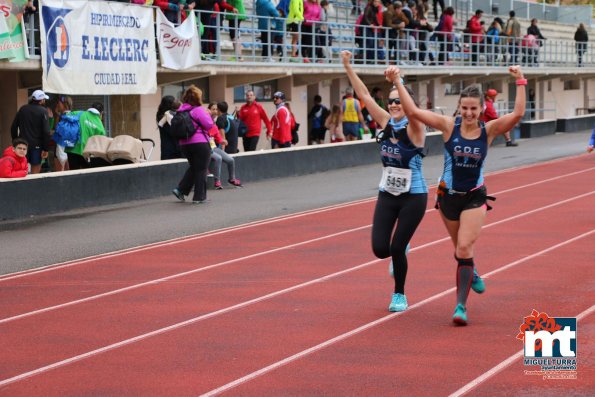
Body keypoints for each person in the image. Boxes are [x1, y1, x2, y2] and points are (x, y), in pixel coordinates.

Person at [393, 65, 527, 325]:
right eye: (464, 108)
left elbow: (518, 113)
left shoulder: (488, 131)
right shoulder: (447, 126)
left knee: (465, 246)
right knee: (460, 250)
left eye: (473, 109)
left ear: (480, 109)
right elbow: (412, 112)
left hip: (475, 197)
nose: (468, 113)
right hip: (448, 198)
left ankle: (460, 307)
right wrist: (398, 80)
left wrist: (520, 80)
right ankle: (471, 268)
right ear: (459, 107)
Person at [342, 50, 428, 312]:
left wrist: (398, 81)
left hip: (414, 196)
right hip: (388, 194)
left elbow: (411, 110)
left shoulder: (416, 127)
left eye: (398, 101)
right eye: (391, 101)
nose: (393, 105)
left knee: (397, 246)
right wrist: (347, 66)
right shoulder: (386, 121)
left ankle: (399, 294)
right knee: (381, 249)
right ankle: (400, 249)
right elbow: (365, 96)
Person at [171, 85, 213, 204]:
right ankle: (199, 197)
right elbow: (209, 124)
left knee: (195, 167)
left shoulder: (181, 110)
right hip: (200, 143)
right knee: (201, 169)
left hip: (184, 144)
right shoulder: (198, 110)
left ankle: (180, 190)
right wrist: (208, 114)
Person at [10, 89, 51, 174]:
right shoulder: (43, 111)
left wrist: (16, 142)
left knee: (20, 169)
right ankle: (34, 187)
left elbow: (13, 127)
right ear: (41, 101)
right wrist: (46, 149)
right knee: (35, 172)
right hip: (37, 146)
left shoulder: (22, 109)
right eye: (44, 99)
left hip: (22, 145)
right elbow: (46, 132)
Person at [207, 102, 243, 188]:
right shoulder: (205, 121)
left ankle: (232, 179)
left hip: (213, 147)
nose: (215, 111)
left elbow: (217, 136)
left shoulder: (214, 123)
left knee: (230, 160)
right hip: (206, 148)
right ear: (209, 110)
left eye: (216, 109)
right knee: (218, 158)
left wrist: (222, 141)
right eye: (213, 109)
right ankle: (217, 181)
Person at [65, 102, 107, 169]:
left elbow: (65, 117)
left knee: (73, 173)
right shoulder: (100, 125)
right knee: (86, 173)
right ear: (101, 113)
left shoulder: (78, 113)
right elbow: (101, 143)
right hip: (86, 152)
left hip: (71, 148)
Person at [156, 95, 183, 160]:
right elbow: (174, 131)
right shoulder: (166, 116)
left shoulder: (161, 115)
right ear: (170, 105)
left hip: (167, 150)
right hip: (172, 150)